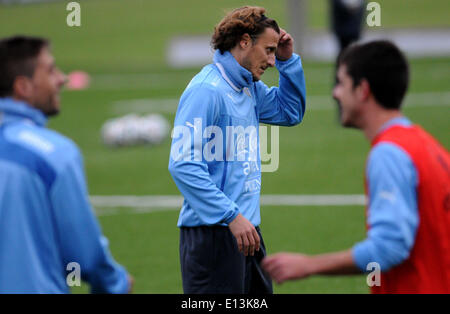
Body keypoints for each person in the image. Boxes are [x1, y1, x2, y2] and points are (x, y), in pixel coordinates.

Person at [262, 40, 450, 294]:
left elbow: (389, 247)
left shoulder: (389, 154)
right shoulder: (427, 145)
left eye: (341, 83)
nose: (335, 93)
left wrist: (310, 265)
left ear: (362, 90)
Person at [168, 6, 306, 293]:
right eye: (268, 50)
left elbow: (290, 112)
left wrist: (287, 61)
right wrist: (230, 215)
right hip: (214, 234)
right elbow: (183, 164)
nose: (271, 61)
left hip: (246, 231)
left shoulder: (248, 87)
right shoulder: (207, 91)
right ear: (244, 41)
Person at [0, 36, 132, 293]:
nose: (62, 78)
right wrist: (117, 283)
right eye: (50, 70)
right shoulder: (52, 154)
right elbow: (86, 255)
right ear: (23, 87)